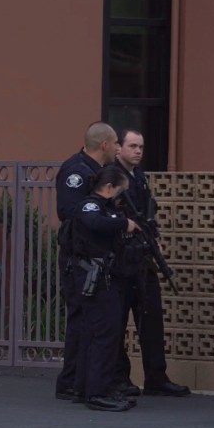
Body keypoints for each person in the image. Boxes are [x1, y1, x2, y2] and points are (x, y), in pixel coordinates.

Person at [111, 129, 190, 397]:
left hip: (143, 258)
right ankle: (120, 378)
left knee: (152, 319)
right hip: (121, 260)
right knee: (118, 321)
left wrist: (154, 237)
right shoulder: (112, 176)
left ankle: (156, 376)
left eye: (141, 147)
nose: (137, 151)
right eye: (132, 146)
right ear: (118, 148)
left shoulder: (140, 177)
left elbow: (147, 213)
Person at [54, 122, 120, 401]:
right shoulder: (77, 173)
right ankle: (70, 382)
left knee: (88, 322)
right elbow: (69, 212)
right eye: (116, 143)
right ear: (104, 145)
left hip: (92, 257)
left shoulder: (96, 172)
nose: (119, 148)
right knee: (81, 321)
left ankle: (80, 382)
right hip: (78, 258)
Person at [69, 166, 139, 411]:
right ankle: (97, 392)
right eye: (121, 191)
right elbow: (94, 222)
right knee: (104, 337)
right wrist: (123, 223)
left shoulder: (107, 209)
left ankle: (87, 388)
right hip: (97, 280)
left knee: (94, 334)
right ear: (109, 188)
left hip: (106, 278)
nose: (123, 197)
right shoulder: (90, 206)